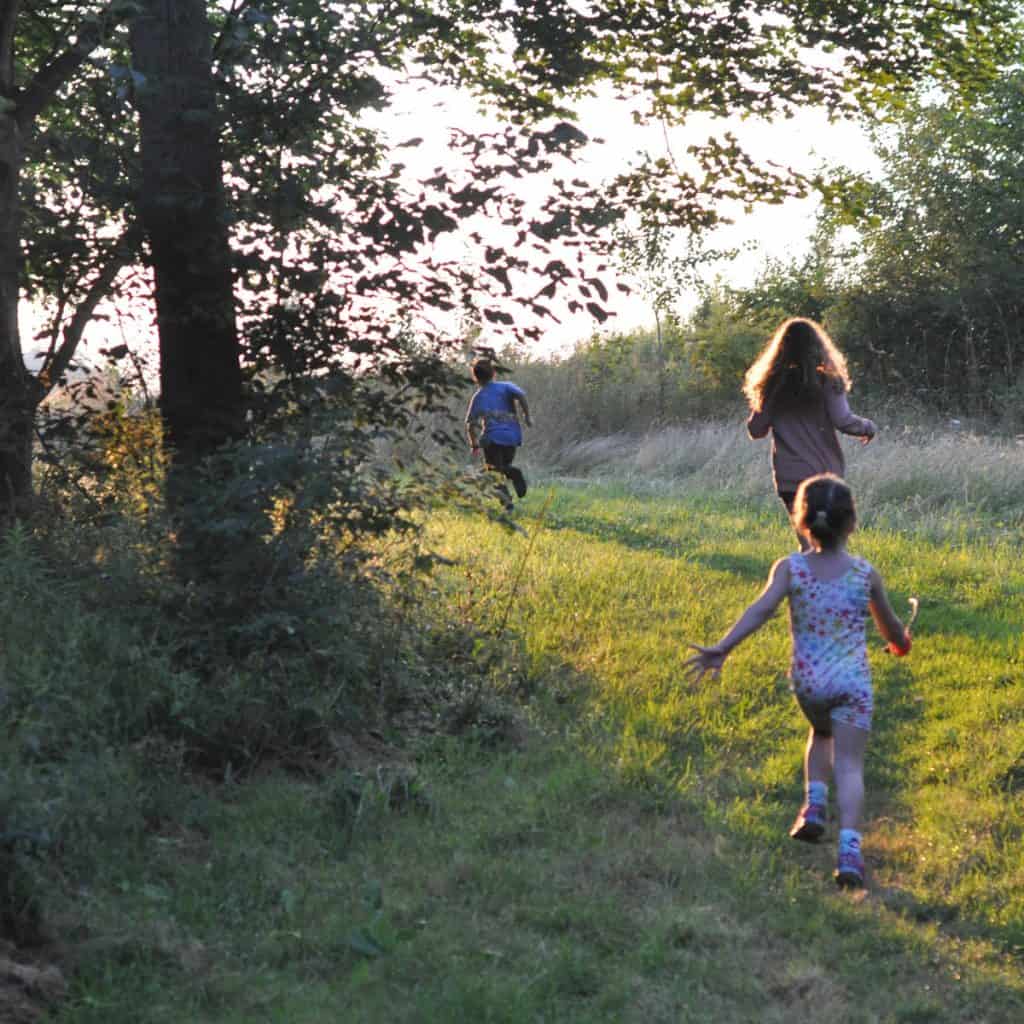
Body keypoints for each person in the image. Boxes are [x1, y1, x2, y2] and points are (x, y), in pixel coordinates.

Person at [683, 474, 911, 888]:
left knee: (819, 733)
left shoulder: (791, 569)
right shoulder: (865, 574)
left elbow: (760, 610)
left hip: (809, 684)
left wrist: (723, 647)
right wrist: (900, 642)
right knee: (849, 763)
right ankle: (849, 851)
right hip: (852, 684)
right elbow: (892, 629)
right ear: (851, 523)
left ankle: (813, 806)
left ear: (801, 520)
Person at [744, 317, 877, 549]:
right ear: (818, 346)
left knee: (806, 544)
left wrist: (765, 404)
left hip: (790, 477)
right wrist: (868, 427)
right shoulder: (827, 381)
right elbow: (843, 420)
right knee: (829, 544)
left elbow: (756, 430)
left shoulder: (772, 385)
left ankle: (804, 582)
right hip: (824, 476)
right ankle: (830, 581)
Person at [465, 357, 532, 507]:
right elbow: (521, 395)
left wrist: (474, 444)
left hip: (492, 439)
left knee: (493, 473)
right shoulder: (506, 387)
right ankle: (511, 480)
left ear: (475, 377)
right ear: (493, 373)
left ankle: (507, 498)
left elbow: (470, 424)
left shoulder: (478, 397)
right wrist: (527, 416)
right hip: (512, 437)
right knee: (501, 469)